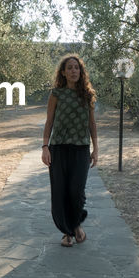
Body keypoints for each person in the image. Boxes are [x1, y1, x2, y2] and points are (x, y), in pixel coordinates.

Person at [40, 54, 98, 247]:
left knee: (77, 191)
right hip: (58, 148)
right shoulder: (56, 94)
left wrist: (95, 149)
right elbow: (49, 122)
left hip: (81, 148)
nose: (74, 71)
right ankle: (69, 232)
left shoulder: (88, 95)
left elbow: (92, 123)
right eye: (70, 68)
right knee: (60, 192)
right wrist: (45, 147)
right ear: (63, 73)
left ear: (81, 72)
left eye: (77, 67)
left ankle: (75, 224)